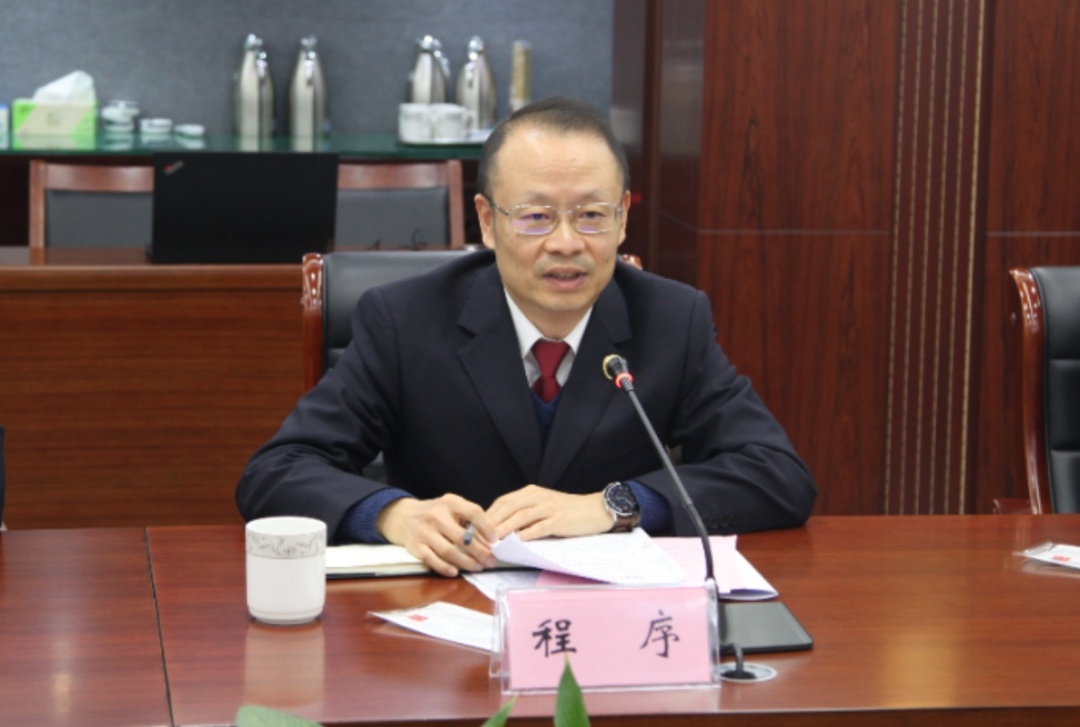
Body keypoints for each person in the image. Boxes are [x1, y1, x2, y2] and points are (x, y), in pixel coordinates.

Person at [236, 97, 816, 576]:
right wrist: (393, 515)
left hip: (610, 618)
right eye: (535, 216)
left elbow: (778, 475)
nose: (566, 243)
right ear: (488, 221)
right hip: (444, 613)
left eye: (591, 215)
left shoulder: (672, 319)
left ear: (623, 218)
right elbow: (277, 470)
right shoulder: (405, 320)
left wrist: (616, 505)